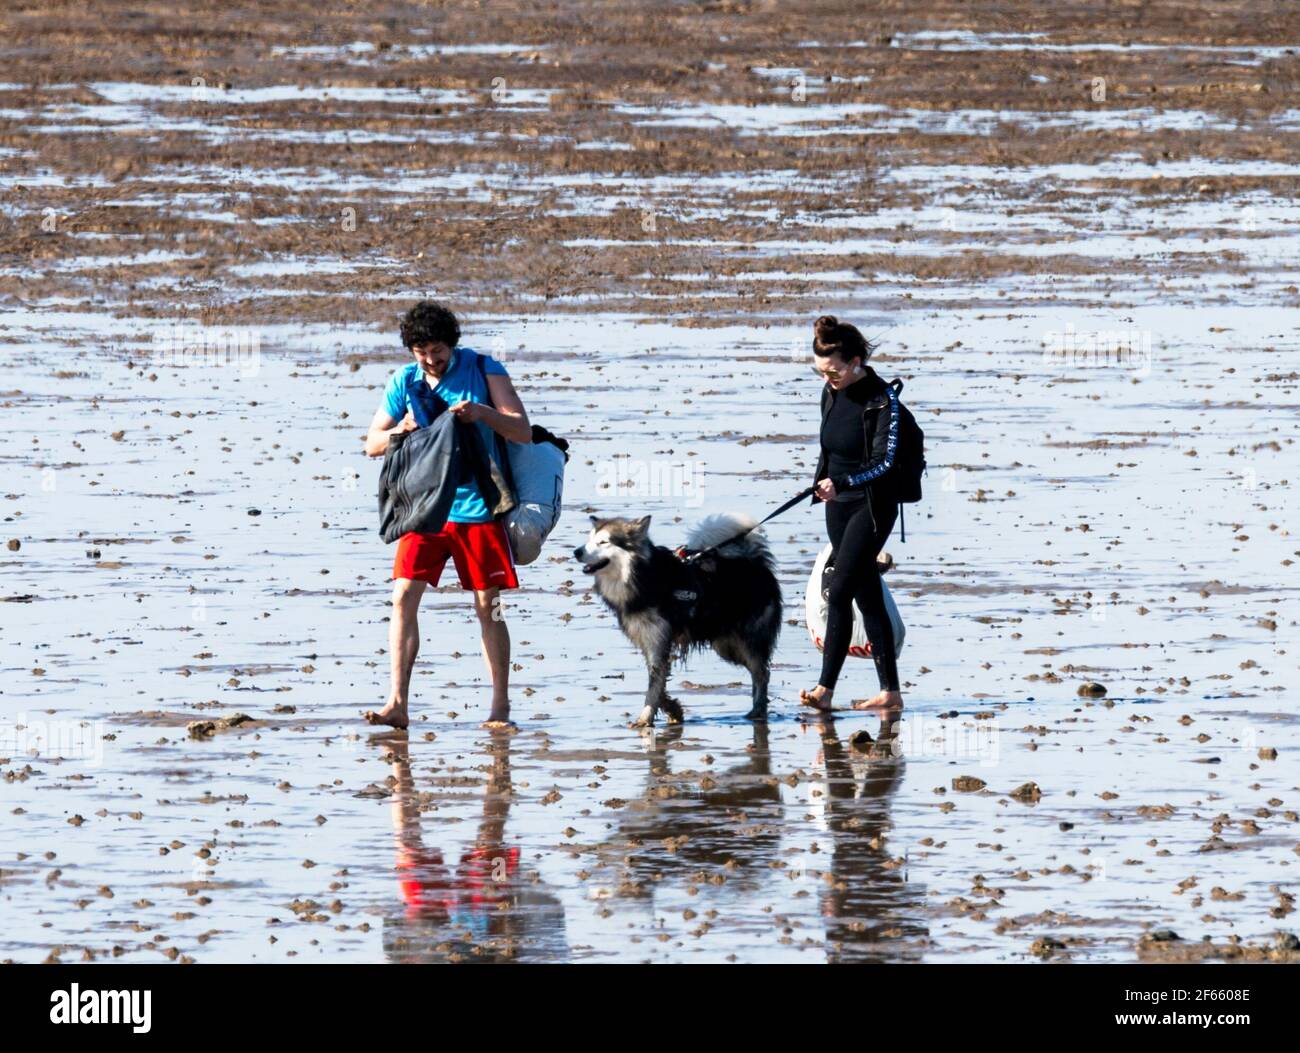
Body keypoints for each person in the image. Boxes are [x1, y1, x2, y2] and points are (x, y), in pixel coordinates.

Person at [363, 301, 532, 730]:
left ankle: (500, 708)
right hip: (424, 509)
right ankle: (396, 703)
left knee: (487, 605)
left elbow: (521, 429)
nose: (430, 360)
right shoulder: (404, 380)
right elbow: (371, 444)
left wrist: (482, 414)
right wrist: (400, 430)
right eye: (420, 351)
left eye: (436, 350)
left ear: (451, 345)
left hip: (478, 508)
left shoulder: (483, 369)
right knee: (402, 597)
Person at [800, 315, 904, 715]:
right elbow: (829, 450)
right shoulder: (830, 393)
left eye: (834, 371)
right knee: (866, 592)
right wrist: (823, 483)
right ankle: (890, 692)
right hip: (837, 506)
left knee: (840, 591)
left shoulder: (883, 400)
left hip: (872, 506)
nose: (828, 378)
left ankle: (825, 689)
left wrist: (842, 483)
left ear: (856, 361)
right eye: (821, 372)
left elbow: (886, 462)